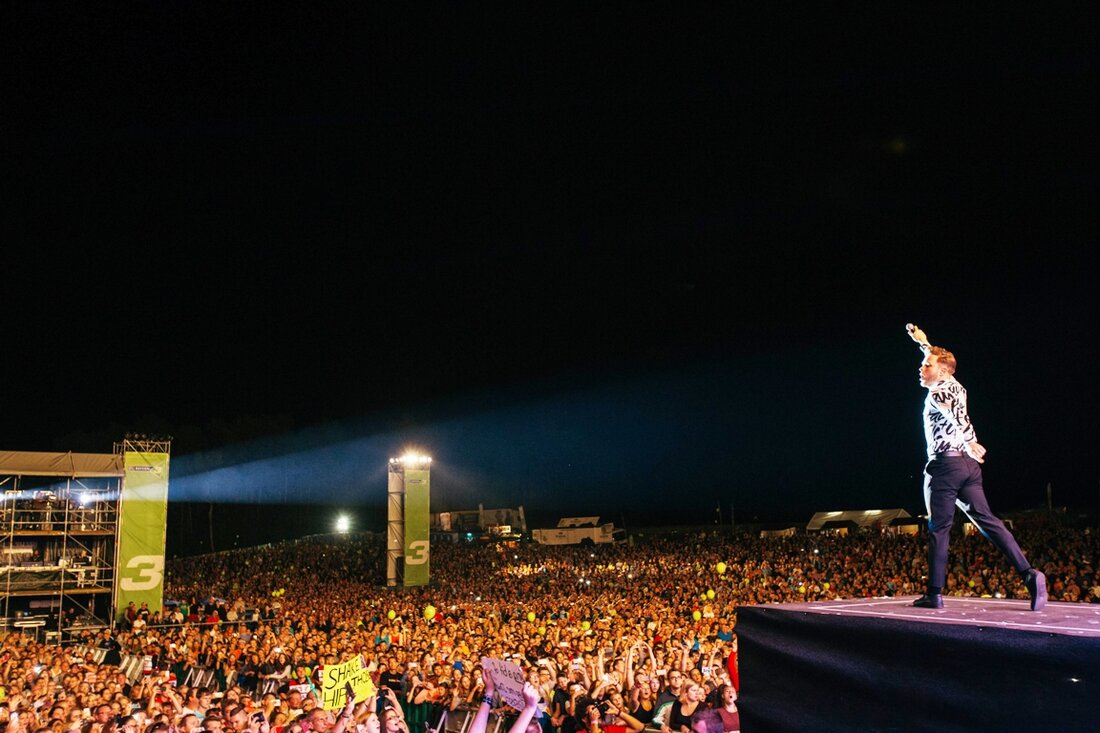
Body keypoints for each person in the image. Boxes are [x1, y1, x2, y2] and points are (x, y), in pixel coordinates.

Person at [906, 324, 1047, 611]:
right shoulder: (957, 384)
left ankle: (934, 593)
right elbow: (940, 365)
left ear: (942, 371)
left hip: (945, 466)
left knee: (939, 528)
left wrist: (971, 440)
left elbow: (954, 414)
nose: (922, 369)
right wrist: (924, 343)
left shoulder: (937, 394)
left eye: (926, 366)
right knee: (988, 521)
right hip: (968, 468)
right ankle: (1029, 573)